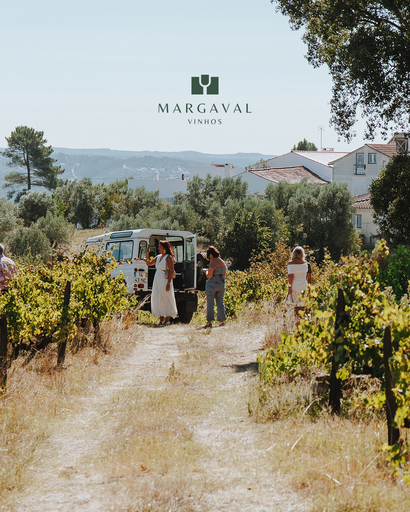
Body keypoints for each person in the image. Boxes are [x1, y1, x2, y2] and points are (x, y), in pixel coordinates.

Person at [146, 240, 178, 326]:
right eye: (158, 247)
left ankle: (167, 319)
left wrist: (168, 284)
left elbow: (171, 271)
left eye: (160, 247)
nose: (158, 248)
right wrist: (147, 254)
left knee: (166, 298)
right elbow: (148, 263)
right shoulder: (158, 257)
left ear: (164, 249)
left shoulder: (168, 258)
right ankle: (161, 319)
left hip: (165, 279)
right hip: (157, 279)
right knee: (158, 298)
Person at [204, 246, 227, 328]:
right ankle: (221, 321)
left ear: (210, 255)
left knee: (210, 303)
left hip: (212, 284)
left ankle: (209, 322)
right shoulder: (223, 262)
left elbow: (209, 275)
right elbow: (224, 274)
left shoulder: (213, 262)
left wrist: (206, 271)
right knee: (220, 303)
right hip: (221, 284)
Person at [286, 246, 311, 313]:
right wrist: (309, 289)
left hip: (294, 287)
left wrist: (289, 287)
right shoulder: (306, 264)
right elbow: (309, 278)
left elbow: (290, 277)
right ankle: (302, 321)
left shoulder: (290, 263)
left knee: (295, 307)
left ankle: (296, 320)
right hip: (304, 287)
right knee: (303, 306)